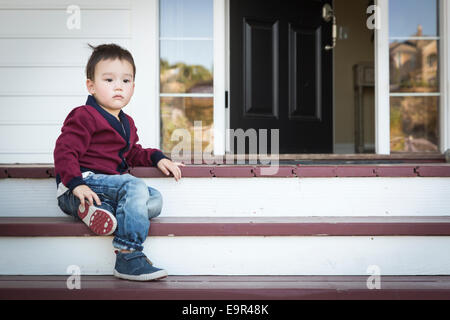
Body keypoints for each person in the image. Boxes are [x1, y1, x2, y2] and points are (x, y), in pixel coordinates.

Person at [54, 43, 184, 281]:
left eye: (126, 81)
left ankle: (100, 211)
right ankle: (129, 255)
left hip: (108, 189)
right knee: (134, 186)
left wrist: (157, 157)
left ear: (133, 86)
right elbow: (65, 150)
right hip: (81, 184)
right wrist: (76, 183)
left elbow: (132, 153)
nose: (118, 87)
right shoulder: (84, 115)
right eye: (109, 80)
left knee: (154, 199)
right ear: (90, 86)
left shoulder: (127, 123)